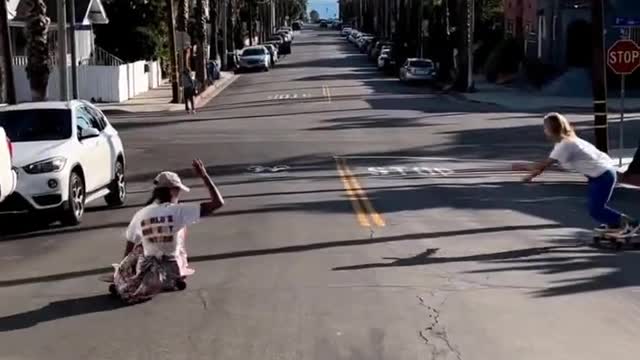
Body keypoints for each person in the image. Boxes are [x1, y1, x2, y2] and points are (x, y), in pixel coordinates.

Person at [110, 159, 224, 304]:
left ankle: (130, 281)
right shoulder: (179, 211)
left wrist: (122, 271)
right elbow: (218, 202)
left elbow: (129, 249)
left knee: (140, 248)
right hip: (172, 269)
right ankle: (174, 278)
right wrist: (204, 176)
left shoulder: (140, 214)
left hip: (146, 268)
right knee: (180, 232)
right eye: (179, 190)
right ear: (173, 190)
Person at [514, 112, 640, 237]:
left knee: (596, 210)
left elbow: (542, 166)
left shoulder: (565, 145)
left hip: (603, 175)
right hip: (600, 174)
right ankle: (614, 224)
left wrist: (523, 168)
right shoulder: (569, 141)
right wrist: (530, 176)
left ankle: (632, 224)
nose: (544, 131)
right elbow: (543, 167)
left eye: (545, 128)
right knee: (595, 207)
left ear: (551, 130)